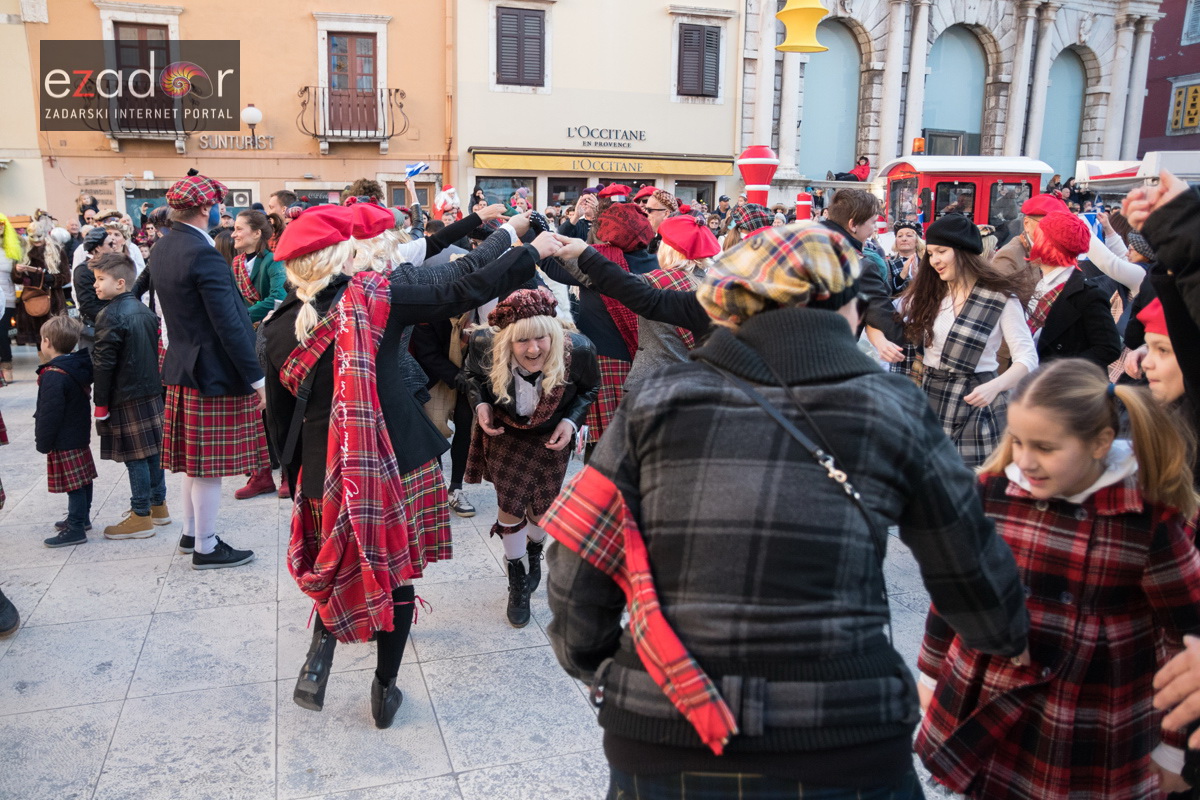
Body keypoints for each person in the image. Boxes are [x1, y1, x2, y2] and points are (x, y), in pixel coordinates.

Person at [542, 221, 1029, 799]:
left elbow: (575, 561)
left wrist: (604, 669)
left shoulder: (658, 400)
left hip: (665, 731)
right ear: (842, 304)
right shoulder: (890, 406)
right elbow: (977, 582)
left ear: (731, 308)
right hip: (845, 736)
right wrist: (997, 635)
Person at [260, 203, 551, 725]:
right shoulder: (378, 297)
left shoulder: (276, 326)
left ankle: (321, 651)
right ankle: (383, 690)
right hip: (397, 459)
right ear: (343, 254)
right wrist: (527, 246)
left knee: (336, 556)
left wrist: (295, 476)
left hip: (322, 467)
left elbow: (278, 418)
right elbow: (461, 286)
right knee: (395, 576)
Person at [916, 359, 1200, 799]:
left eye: (1046, 448)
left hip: (1087, 711)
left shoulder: (1145, 521)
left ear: (1101, 442)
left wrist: (1172, 749)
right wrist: (932, 674)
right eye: (1018, 442)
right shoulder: (989, 493)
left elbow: (1185, 638)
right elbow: (956, 592)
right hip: (992, 691)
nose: (1026, 460)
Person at [460, 288, 599, 627]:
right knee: (510, 504)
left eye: (541, 339)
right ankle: (517, 580)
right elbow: (470, 377)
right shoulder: (485, 346)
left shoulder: (579, 350)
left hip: (552, 436)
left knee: (542, 508)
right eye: (522, 341)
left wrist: (570, 421)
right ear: (507, 340)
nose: (534, 349)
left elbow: (589, 389)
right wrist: (480, 405)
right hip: (506, 434)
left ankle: (535, 552)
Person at [154, 171, 265, 570]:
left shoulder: (163, 247)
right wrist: (257, 377)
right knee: (207, 470)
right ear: (205, 207)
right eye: (218, 203)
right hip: (212, 371)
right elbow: (230, 325)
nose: (222, 210)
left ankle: (190, 532)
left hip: (184, 364)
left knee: (193, 465)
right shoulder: (202, 253)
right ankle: (205, 545)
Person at [898, 214, 1038, 467]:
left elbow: (1028, 358)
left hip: (977, 399)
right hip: (929, 395)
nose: (935, 260)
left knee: (970, 486)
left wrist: (996, 386)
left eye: (941, 251)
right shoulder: (931, 294)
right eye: (930, 253)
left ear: (963, 251)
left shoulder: (1001, 298)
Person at [555, 214, 720, 394]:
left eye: (662, 243)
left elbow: (612, 283)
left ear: (671, 250)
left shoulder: (661, 281)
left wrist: (572, 253)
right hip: (698, 387)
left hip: (654, 388)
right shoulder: (712, 284)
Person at [539, 202, 656, 448]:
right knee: (636, 440)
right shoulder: (656, 264)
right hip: (646, 360)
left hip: (604, 359)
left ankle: (596, 486)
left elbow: (552, 265)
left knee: (601, 443)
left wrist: (535, 234)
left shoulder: (597, 262)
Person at [90, 253, 170, 538]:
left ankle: (140, 516)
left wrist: (100, 405)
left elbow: (103, 365)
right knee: (153, 451)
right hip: (150, 391)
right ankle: (158, 506)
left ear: (120, 283)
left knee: (135, 457)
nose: (95, 285)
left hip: (125, 394)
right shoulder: (145, 311)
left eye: (101, 279)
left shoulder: (109, 315)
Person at [1024, 210, 1122, 369]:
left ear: (1046, 245)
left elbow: (1108, 348)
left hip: (1062, 386)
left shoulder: (1088, 295)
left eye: (1038, 238)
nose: (1033, 242)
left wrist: (1059, 370)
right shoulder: (1041, 283)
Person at [36, 315, 96, 548]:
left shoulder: (53, 375)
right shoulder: (74, 366)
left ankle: (76, 528)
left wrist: (43, 442)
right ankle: (81, 518)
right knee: (83, 479)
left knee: (74, 486)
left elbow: (50, 413)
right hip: (78, 433)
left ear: (47, 342)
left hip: (64, 438)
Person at [14, 215, 67, 349]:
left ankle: (56, 365)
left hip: (53, 300)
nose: (36, 240)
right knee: (40, 339)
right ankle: (46, 366)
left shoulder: (57, 251)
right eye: (33, 236)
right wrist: (19, 272)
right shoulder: (24, 252)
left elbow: (66, 276)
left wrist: (53, 279)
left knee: (56, 337)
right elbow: (16, 278)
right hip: (33, 299)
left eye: (39, 236)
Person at [0, 213, 21, 383]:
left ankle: (7, 367)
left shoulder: (11, 249)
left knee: (2, 333)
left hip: (6, 298)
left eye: (2, 224)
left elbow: (17, 277)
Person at [887, 220, 923, 296]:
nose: (904, 239)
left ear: (917, 241)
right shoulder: (888, 263)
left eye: (909, 235)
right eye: (899, 236)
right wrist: (903, 274)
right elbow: (887, 290)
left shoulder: (926, 262)